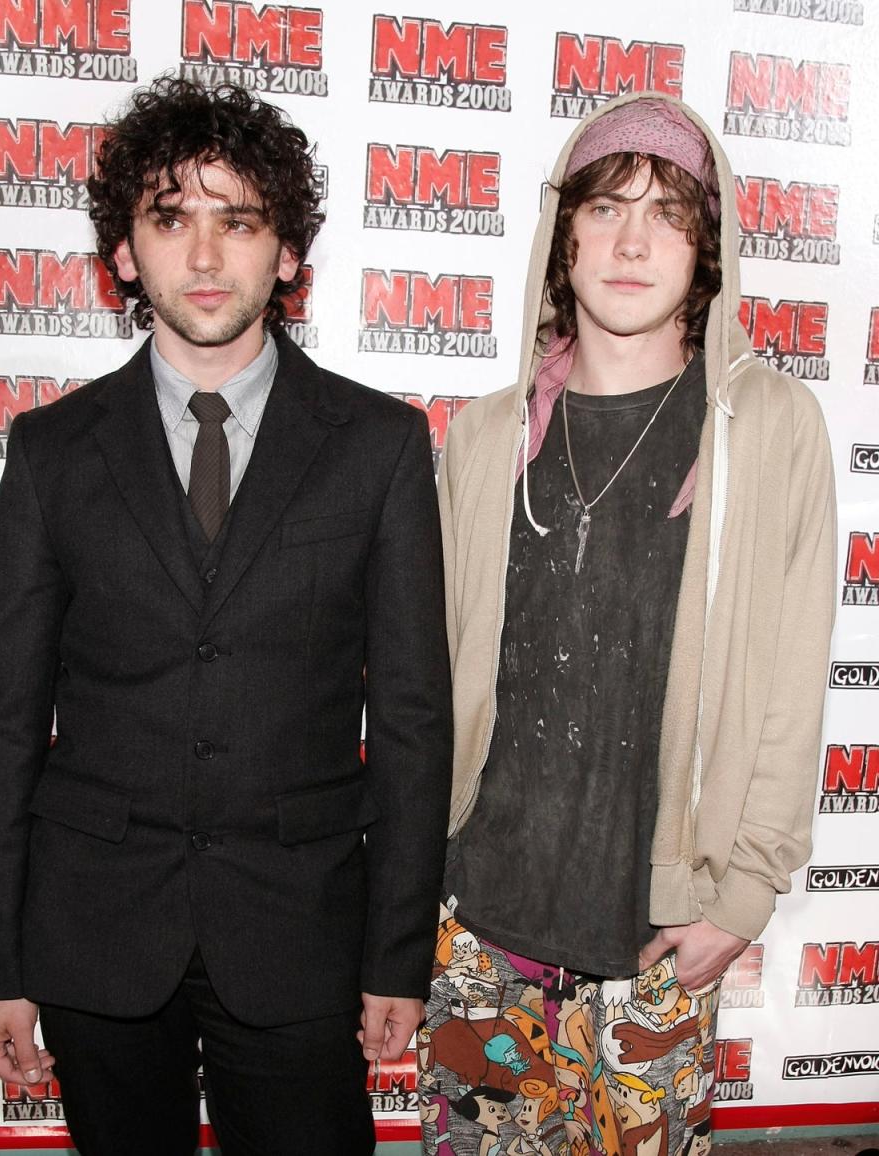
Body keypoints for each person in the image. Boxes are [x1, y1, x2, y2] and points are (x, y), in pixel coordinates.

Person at [0, 76, 452, 1156]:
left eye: (241, 221)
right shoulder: (54, 452)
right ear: (125, 253)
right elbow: (0, 723)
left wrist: (395, 955)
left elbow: (413, 719)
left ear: (287, 252)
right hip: (95, 930)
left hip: (301, 931)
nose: (208, 257)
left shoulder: (379, 447)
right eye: (172, 219)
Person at [418, 92, 836, 1156]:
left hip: (657, 949)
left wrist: (741, 896)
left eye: (670, 214)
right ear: (564, 238)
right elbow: (432, 683)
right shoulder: (479, 443)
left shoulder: (771, 431)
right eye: (606, 208)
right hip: (480, 941)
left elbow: (791, 685)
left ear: (711, 249)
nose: (634, 241)